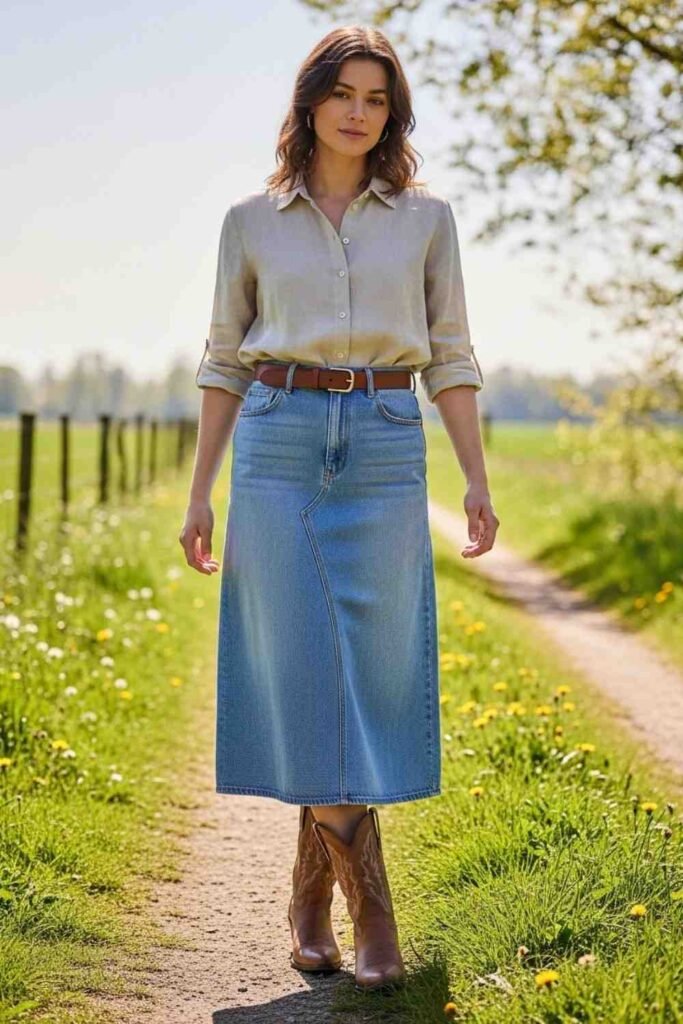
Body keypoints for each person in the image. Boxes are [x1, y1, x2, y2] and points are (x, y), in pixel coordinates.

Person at [179, 24, 499, 994]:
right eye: (342, 93)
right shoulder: (251, 220)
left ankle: (308, 900)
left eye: (376, 98)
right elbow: (223, 359)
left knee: (370, 669)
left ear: (390, 114)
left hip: (385, 441)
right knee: (299, 665)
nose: (358, 112)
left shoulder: (425, 219)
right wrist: (199, 490)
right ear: (310, 101)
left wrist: (475, 478)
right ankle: (373, 915)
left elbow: (450, 352)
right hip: (276, 440)